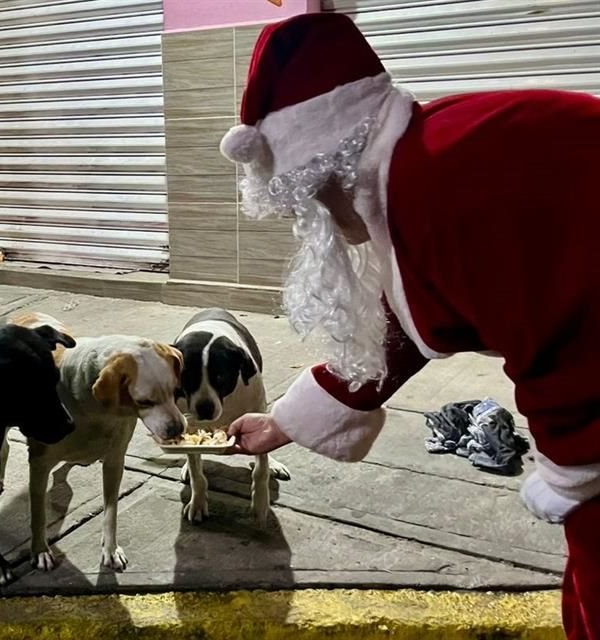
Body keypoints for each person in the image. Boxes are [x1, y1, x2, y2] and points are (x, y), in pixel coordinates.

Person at [220, 12, 600, 639]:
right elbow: (417, 315)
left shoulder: (440, 189)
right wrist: (285, 420)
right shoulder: (418, 163)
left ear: (326, 166)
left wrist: (571, 470)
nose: (313, 220)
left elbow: (564, 335)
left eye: (306, 199)